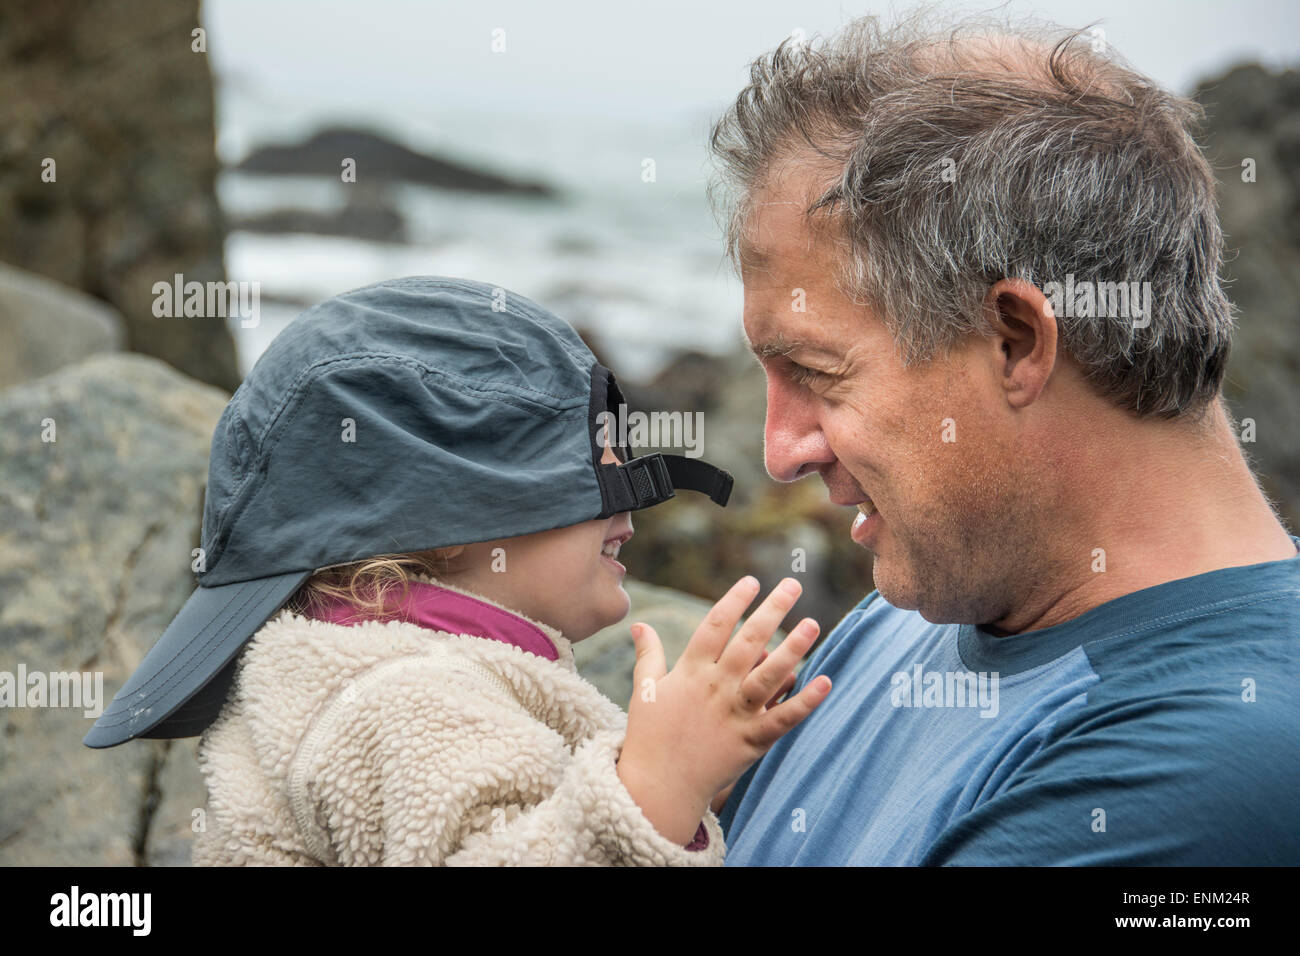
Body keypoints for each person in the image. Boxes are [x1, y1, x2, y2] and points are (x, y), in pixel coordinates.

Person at [708, 12, 1300, 864]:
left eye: (818, 373)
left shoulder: (1208, 766)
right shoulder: (909, 615)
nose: (781, 450)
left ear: (1016, 342)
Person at [83, 276, 831, 865]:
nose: (628, 490)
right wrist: (659, 789)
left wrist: (697, 774)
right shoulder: (405, 700)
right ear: (449, 520)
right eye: (593, 453)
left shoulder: (387, 673)